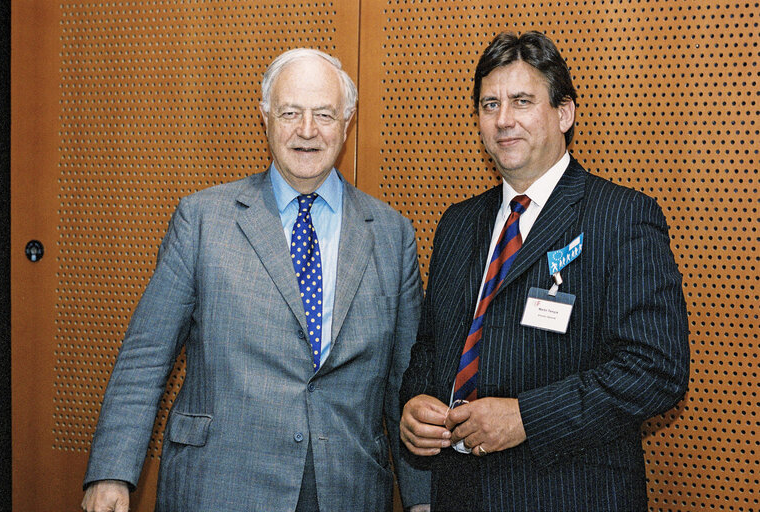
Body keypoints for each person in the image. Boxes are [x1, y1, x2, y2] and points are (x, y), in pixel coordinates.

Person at [82, 48, 429, 512]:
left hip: (348, 489)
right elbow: (146, 356)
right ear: (264, 117)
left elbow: (405, 384)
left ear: (347, 123)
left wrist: (421, 499)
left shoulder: (391, 234)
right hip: (222, 486)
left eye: (324, 114)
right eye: (290, 113)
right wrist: (111, 473)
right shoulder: (202, 220)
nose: (307, 131)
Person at [399, 31, 689, 511]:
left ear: (564, 113)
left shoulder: (621, 217)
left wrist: (527, 419)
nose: (503, 120)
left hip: (568, 494)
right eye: (489, 104)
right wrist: (415, 406)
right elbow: (431, 348)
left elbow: (655, 370)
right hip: (460, 494)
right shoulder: (457, 223)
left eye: (521, 101)